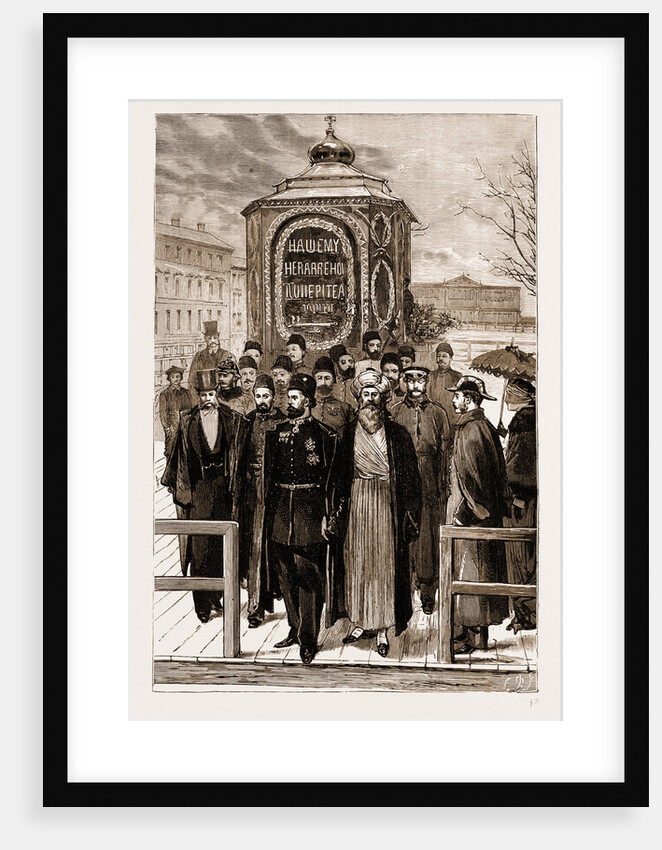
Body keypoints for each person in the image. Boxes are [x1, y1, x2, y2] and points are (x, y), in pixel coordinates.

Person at [263, 373, 347, 664]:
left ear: (308, 401)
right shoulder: (277, 432)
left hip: (311, 514)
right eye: (288, 397)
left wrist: (329, 516)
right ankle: (295, 628)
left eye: (295, 398)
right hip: (281, 513)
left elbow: (336, 482)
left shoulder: (326, 436)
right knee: (286, 576)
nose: (289, 402)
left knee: (309, 577)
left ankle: (308, 640)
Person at [338, 370, 422, 657]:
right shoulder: (347, 432)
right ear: (359, 399)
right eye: (366, 394)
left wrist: (411, 514)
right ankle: (360, 622)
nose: (370, 399)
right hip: (357, 505)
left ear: (382, 399)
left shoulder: (397, 434)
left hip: (387, 505)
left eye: (375, 394)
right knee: (358, 563)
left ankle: (384, 628)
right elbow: (338, 476)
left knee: (384, 566)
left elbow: (411, 479)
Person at [161, 368, 247, 623]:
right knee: (200, 549)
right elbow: (177, 455)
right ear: (197, 396)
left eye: (211, 394)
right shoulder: (187, 420)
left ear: (217, 393)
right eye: (203, 395)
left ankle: (216, 597)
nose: (208, 399)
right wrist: (177, 486)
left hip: (223, 489)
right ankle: (201, 605)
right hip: (198, 490)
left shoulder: (231, 418)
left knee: (221, 547)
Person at [445, 376, 510, 653]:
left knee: (469, 573)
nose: (453, 400)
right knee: (479, 574)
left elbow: (475, 478)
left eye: (457, 396)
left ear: (469, 399)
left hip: (471, 513)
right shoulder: (482, 426)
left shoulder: (471, 429)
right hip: (478, 511)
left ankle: (466, 637)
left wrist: (465, 512)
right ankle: (477, 635)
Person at [392, 365, 451, 615]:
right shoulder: (395, 411)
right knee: (404, 535)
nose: (415, 384)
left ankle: (428, 593)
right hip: (402, 479)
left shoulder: (438, 413)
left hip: (429, 480)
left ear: (426, 382)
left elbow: (445, 452)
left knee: (428, 537)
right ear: (404, 382)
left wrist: (442, 484)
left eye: (420, 380)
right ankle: (402, 595)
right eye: (410, 380)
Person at [237, 374, 287, 628]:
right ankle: (255, 608)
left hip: (278, 494)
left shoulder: (283, 422)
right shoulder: (247, 421)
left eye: (266, 396)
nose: (262, 400)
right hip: (253, 496)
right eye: (258, 396)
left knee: (279, 550)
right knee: (255, 551)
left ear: (274, 397)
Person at [499, 378, 537, 633]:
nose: (506, 399)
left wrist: (504, 475)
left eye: (510, 394)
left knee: (521, 556)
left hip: (521, 500)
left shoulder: (525, 421)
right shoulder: (523, 421)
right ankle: (524, 613)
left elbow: (522, 468)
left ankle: (525, 613)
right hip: (524, 498)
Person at [187, 320, 235, 403]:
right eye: (209, 338)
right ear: (205, 339)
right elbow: (192, 382)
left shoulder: (228, 355)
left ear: (218, 338)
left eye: (215, 338)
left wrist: (232, 402)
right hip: (205, 400)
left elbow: (235, 380)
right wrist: (197, 403)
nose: (212, 341)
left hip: (225, 400)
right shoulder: (199, 357)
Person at [158, 365, 194, 458]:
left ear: (181, 378)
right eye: (173, 377)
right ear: (169, 379)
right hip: (172, 425)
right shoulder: (165, 394)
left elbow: (191, 408)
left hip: (185, 425)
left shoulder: (186, 392)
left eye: (177, 376)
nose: (175, 379)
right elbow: (163, 412)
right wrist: (167, 428)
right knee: (171, 449)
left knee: (186, 449)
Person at [311, 356, 353, 432]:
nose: (323, 383)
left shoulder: (345, 408)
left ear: (334, 380)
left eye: (327, 378)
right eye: (319, 378)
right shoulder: (308, 407)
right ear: (314, 380)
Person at [427, 342, 463, 426]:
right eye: (438, 356)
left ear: (450, 358)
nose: (440, 359)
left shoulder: (458, 377)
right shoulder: (431, 376)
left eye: (444, 356)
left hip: (452, 419)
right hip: (434, 418)